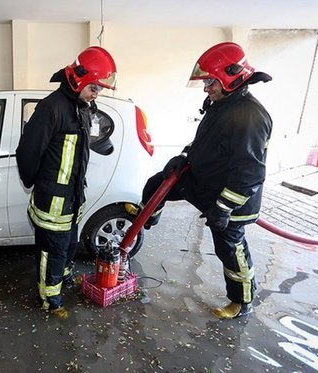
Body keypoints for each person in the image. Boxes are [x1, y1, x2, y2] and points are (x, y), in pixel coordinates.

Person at [135, 42, 273, 319]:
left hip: (231, 199)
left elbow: (250, 172)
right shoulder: (222, 105)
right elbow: (205, 142)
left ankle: (241, 301)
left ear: (231, 77)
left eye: (211, 81)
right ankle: (146, 220)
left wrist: (223, 208)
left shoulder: (249, 116)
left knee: (230, 249)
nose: (206, 88)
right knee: (156, 184)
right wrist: (184, 157)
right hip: (205, 182)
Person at [16, 46, 117, 319]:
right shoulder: (51, 108)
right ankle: (50, 299)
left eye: (100, 89)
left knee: (68, 246)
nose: (97, 94)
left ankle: (62, 281)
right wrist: (41, 184)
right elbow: (27, 153)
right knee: (52, 251)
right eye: (94, 88)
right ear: (79, 79)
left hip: (72, 198)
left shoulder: (80, 105)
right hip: (54, 199)